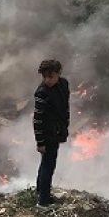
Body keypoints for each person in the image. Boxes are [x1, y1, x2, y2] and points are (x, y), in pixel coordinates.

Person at [33, 59, 70, 208]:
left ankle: (40, 191)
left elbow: (64, 107)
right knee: (49, 165)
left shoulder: (63, 84)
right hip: (47, 134)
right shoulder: (42, 93)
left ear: (58, 74)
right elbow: (37, 120)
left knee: (46, 163)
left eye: (51, 76)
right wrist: (40, 142)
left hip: (57, 130)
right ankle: (44, 201)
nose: (48, 80)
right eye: (45, 77)